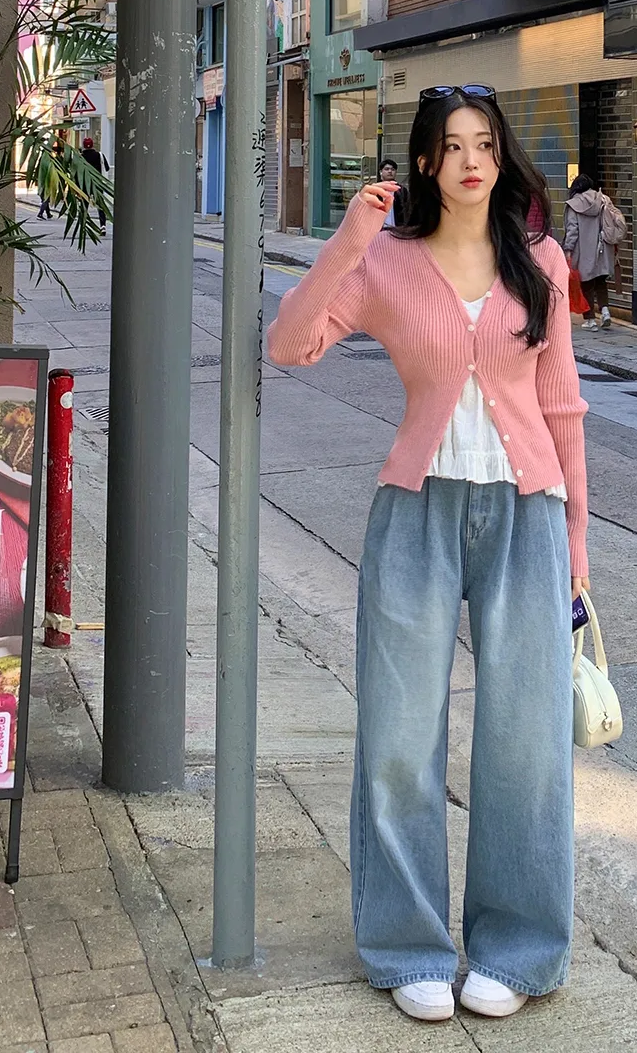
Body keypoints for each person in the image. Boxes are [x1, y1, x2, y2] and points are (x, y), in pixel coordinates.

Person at [268, 83, 588, 1024]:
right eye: (451, 145)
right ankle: (407, 945)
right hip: (416, 515)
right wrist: (347, 241)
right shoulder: (387, 263)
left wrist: (577, 544)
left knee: (527, 740)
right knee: (400, 736)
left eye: (484, 143)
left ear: (500, 155)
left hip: (528, 517)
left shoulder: (540, 259)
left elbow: (563, 406)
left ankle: (519, 949)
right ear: (424, 161)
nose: (470, 161)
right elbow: (289, 344)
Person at [562, 173, 613, 330]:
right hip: (602, 249)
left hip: (583, 251)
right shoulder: (603, 199)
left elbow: (572, 230)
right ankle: (605, 311)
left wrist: (568, 249)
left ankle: (590, 320)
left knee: (586, 285)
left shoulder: (573, 205)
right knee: (601, 281)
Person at [81, 137, 109, 236]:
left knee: (84, 206)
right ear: (92, 145)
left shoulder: (80, 157)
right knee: (100, 206)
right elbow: (107, 168)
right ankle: (103, 226)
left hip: (85, 184)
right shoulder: (99, 155)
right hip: (97, 184)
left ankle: (83, 225)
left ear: (84, 145)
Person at [377, 157, 409, 226]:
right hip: (378, 228)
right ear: (380, 172)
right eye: (386, 169)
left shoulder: (402, 190)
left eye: (393, 169)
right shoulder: (375, 190)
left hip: (397, 228)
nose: (390, 171)